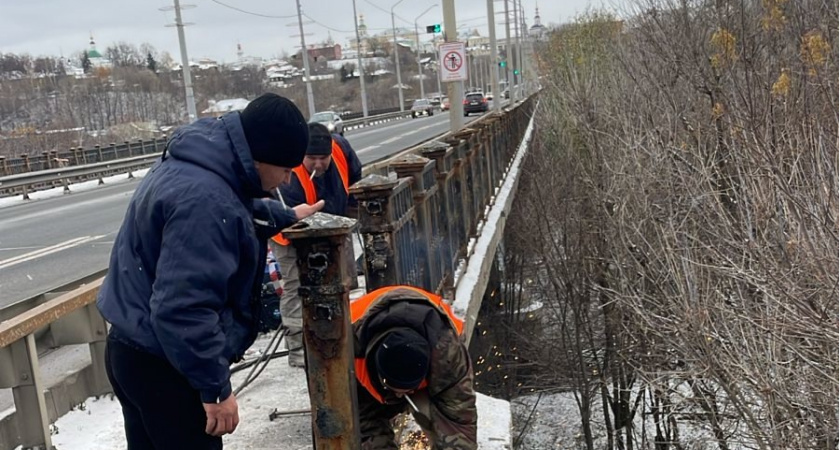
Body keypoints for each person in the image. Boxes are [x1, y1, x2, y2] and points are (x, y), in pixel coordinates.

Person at [96, 93, 324, 449]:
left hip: (131, 347)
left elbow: (235, 210)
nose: (285, 181)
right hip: (166, 364)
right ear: (261, 157)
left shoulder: (201, 164)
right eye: (284, 169)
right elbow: (182, 307)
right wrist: (215, 388)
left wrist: (286, 216)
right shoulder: (205, 200)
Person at [269, 122, 363, 367]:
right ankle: (298, 347)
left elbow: (354, 177)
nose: (318, 164)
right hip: (289, 231)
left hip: (331, 226)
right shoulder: (288, 176)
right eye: (312, 159)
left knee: (339, 280)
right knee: (297, 285)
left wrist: (351, 212)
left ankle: (336, 334)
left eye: (323, 158)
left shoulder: (341, 147)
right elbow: (295, 223)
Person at [351, 286, 478, 450]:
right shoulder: (346, 353)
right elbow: (364, 425)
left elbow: (458, 420)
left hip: (434, 353)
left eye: (408, 391)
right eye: (395, 389)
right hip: (360, 372)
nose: (399, 395)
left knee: (435, 417)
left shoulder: (447, 355)